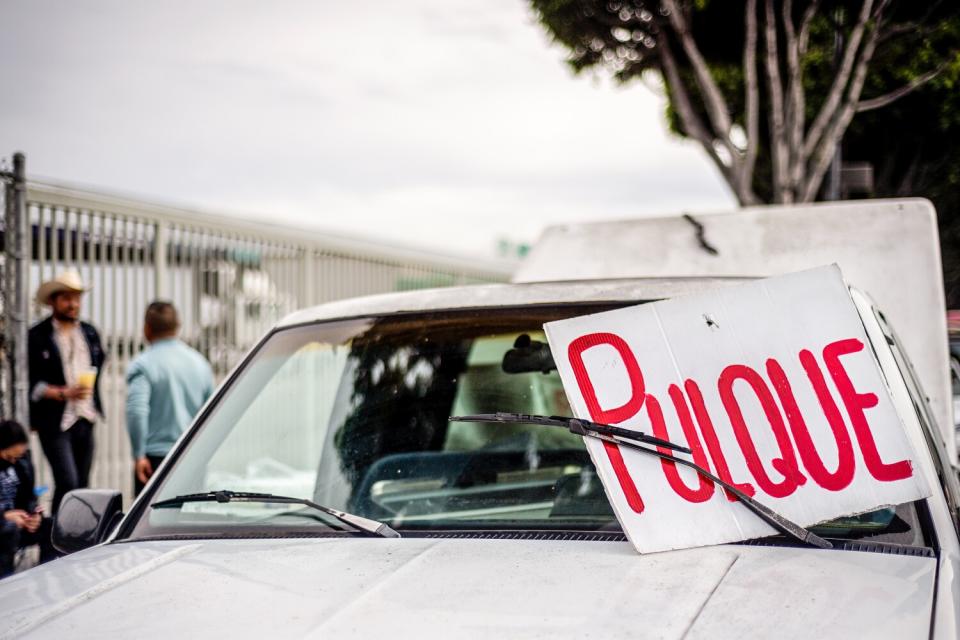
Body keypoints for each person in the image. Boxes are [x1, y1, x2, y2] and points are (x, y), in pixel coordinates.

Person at [28, 269, 105, 514]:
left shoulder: (89, 332)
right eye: (67, 298)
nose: (73, 304)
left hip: (85, 416)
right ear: (53, 301)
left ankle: (79, 539)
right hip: (55, 420)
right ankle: (54, 544)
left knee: (82, 485)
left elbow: (99, 362)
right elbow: (32, 384)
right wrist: (62, 392)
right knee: (67, 482)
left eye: (77, 297)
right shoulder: (37, 335)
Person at [126, 301, 214, 495]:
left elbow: (136, 411)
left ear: (146, 328)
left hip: (156, 461)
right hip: (192, 456)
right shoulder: (200, 363)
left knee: (151, 522)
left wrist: (139, 454)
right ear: (177, 327)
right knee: (189, 521)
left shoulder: (143, 364)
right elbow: (212, 412)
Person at [0, 420, 56, 578]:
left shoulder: (22, 462)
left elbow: (30, 497)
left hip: (19, 522)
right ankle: (6, 584)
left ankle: (47, 576)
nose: (13, 462)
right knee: (8, 531)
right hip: (5, 526)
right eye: (8, 457)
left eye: (17, 457)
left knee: (51, 527)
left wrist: (34, 514)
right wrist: (4, 517)